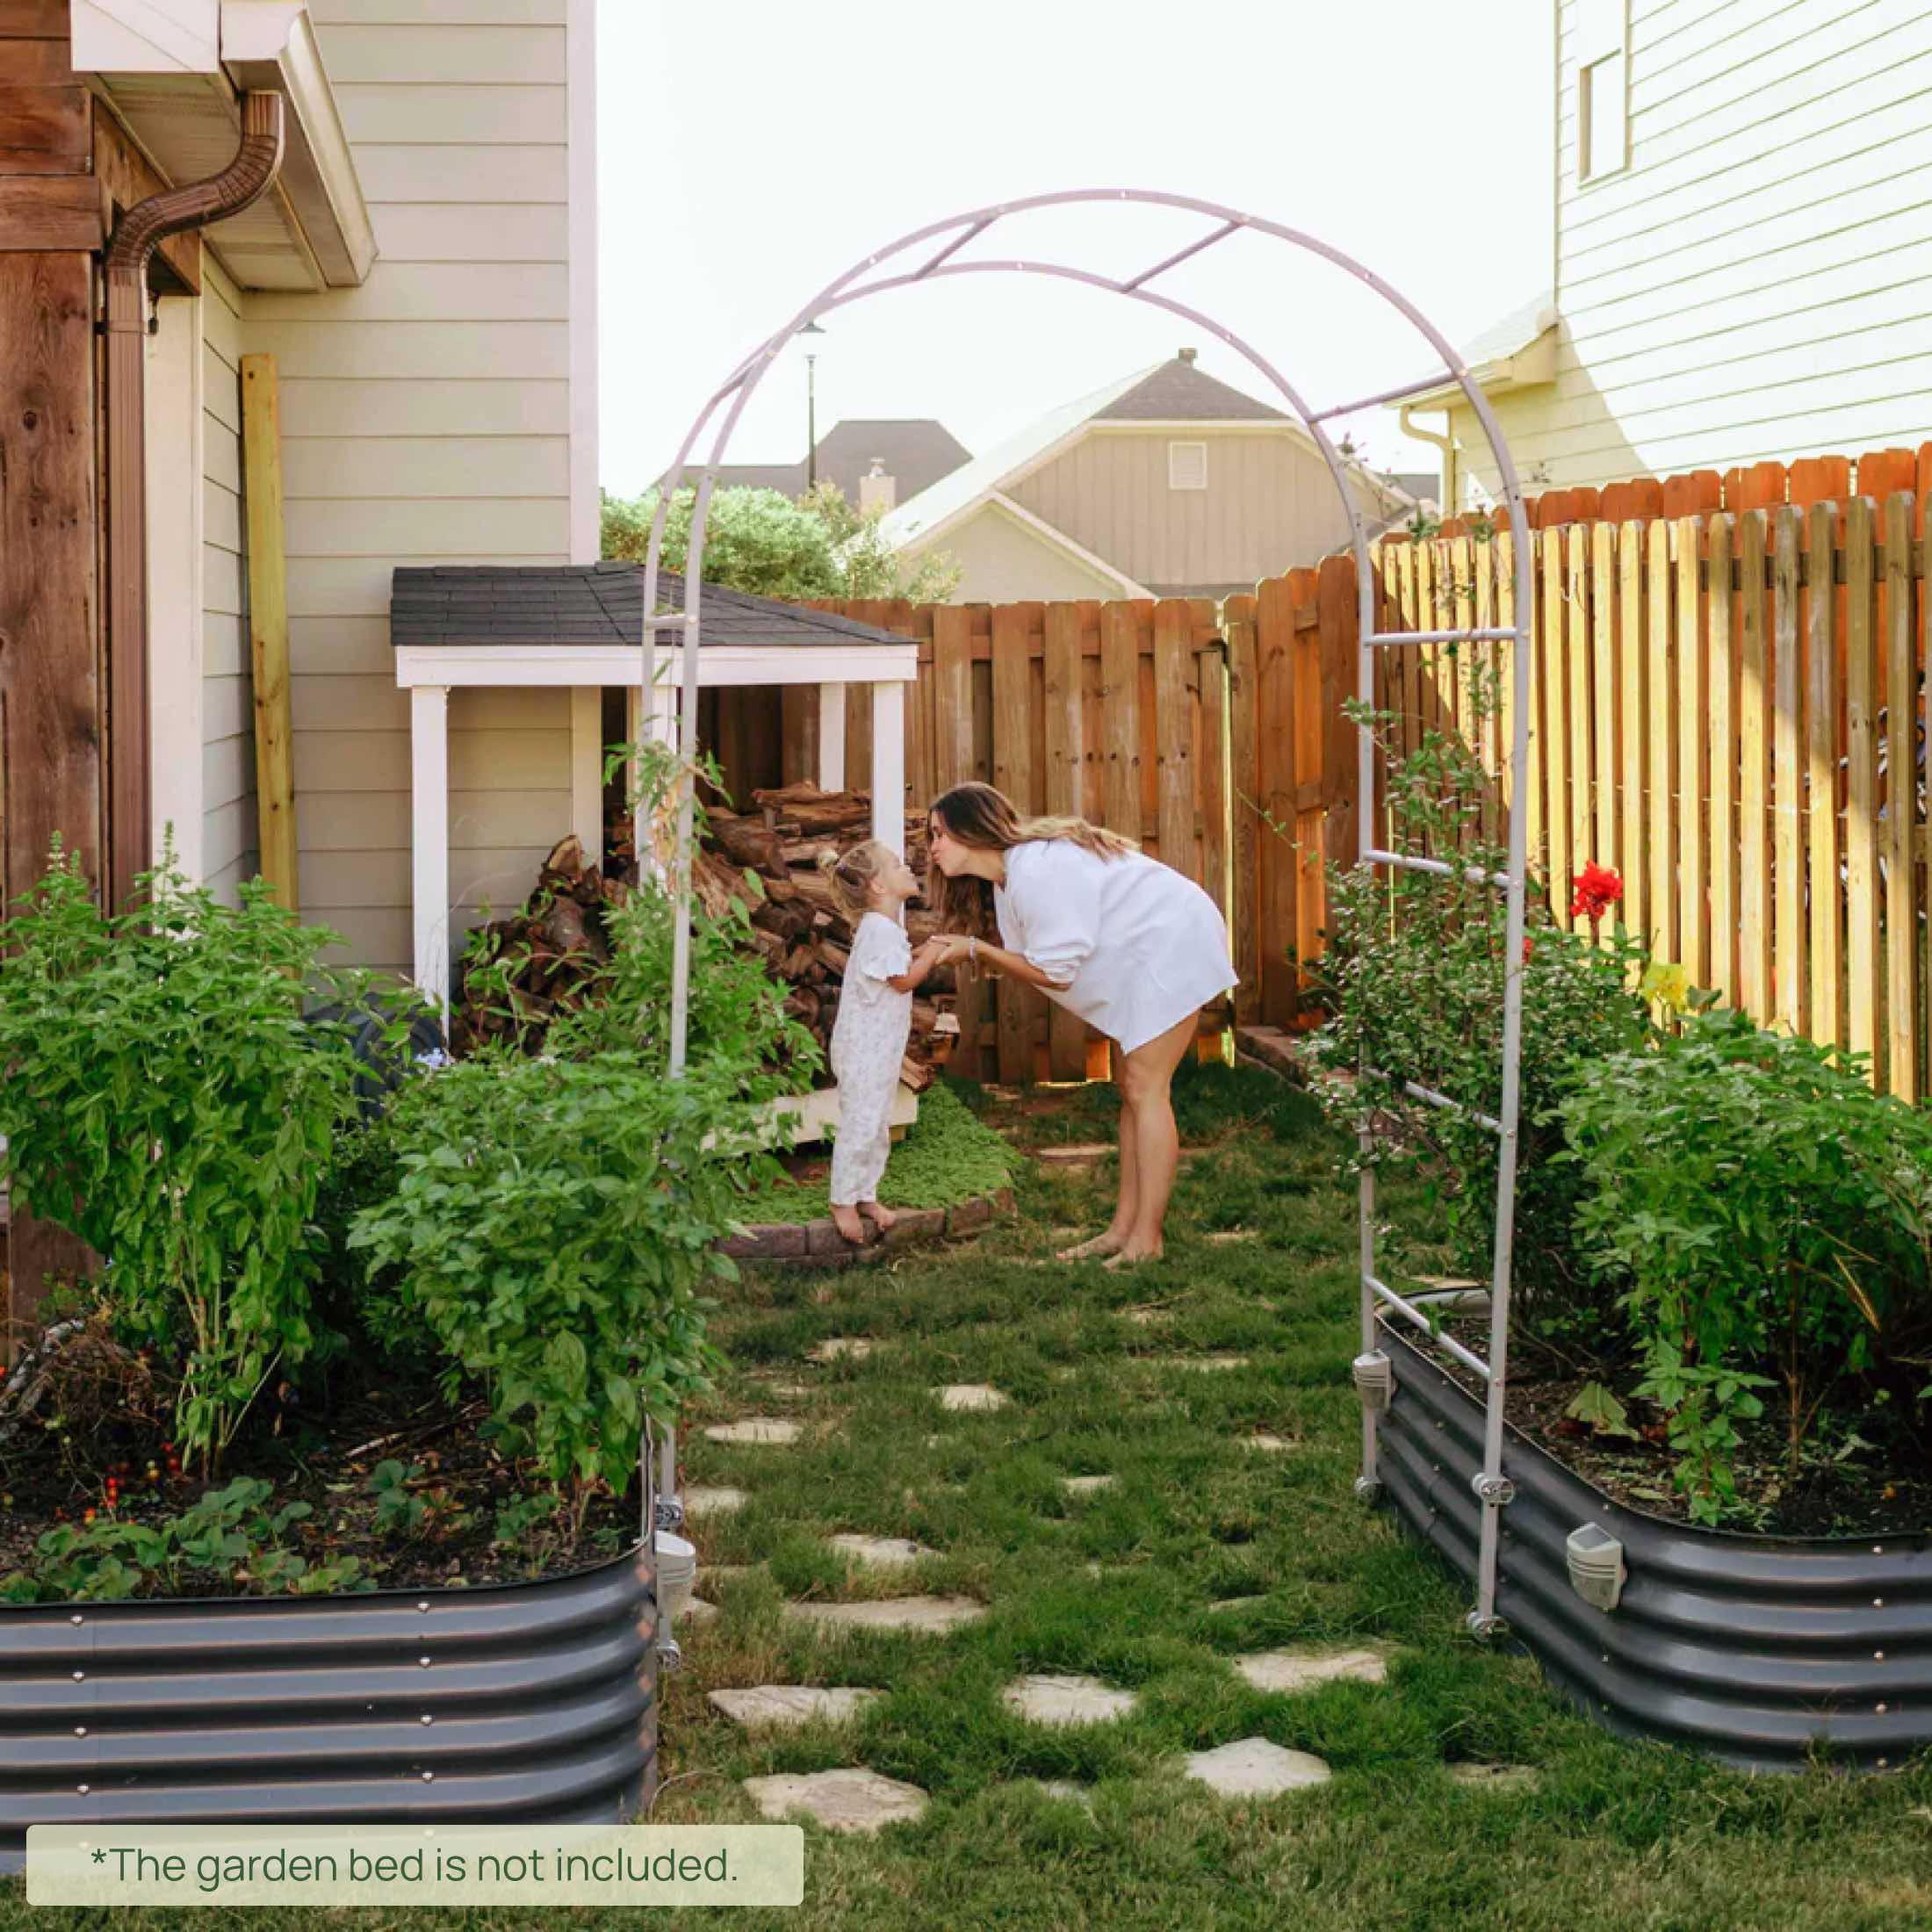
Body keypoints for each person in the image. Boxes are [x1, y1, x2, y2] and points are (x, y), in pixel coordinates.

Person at [923, 782, 1237, 1266]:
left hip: (1175, 940)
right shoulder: (1010, 882)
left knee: (1147, 1088)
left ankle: (1146, 1242)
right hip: (1149, 950)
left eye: (940, 834)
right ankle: (1121, 1231)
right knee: (1133, 1090)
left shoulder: (1037, 870)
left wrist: (976, 949)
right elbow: (1047, 960)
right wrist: (977, 946)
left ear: (972, 830)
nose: (933, 848)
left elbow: (1057, 973)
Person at [817, 840, 946, 1245]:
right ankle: (842, 1201)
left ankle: (865, 1194)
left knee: (876, 1125)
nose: (907, 865)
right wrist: (936, 953)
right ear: (877, 887)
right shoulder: (879, 929)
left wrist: (923, 952)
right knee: (861, 1124)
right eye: (895, 864)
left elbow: (898, 968)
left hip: (878, 1049)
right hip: (863, 1051)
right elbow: (904, 979)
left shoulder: (882, 929)